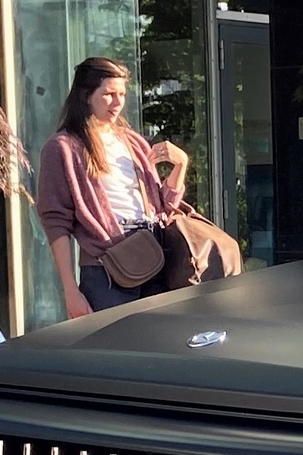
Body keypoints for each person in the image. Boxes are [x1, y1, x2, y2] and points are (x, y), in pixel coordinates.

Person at [36, 58, 189, 318]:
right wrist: (70, 290)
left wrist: (181, 165)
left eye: (122, 94)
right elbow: (55, 222)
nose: (118, 103)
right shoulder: (63, 147)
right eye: (108, 94)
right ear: (86, 95)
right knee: (115, 352)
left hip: (154, 254)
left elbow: (164, 206)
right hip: (106, 268)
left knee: (159, 350)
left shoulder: (132, 142)